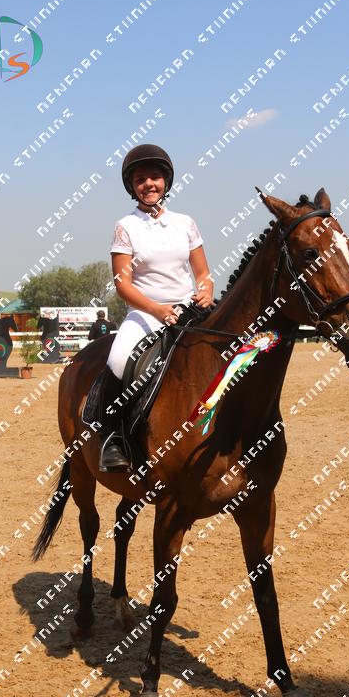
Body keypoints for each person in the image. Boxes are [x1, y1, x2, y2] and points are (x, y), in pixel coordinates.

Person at [98, 144, 214, 471]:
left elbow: (203, 273)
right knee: (118, 358)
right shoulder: (126, 226)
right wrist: (158, 310)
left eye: (154, 177)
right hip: (145, 313)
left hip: (189, 310)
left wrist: (206, 291)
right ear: (132, 186)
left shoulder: (185, 222)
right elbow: (123, 284)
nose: (148, 184)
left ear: (166, 181)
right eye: (140, 179)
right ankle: (113, 438)